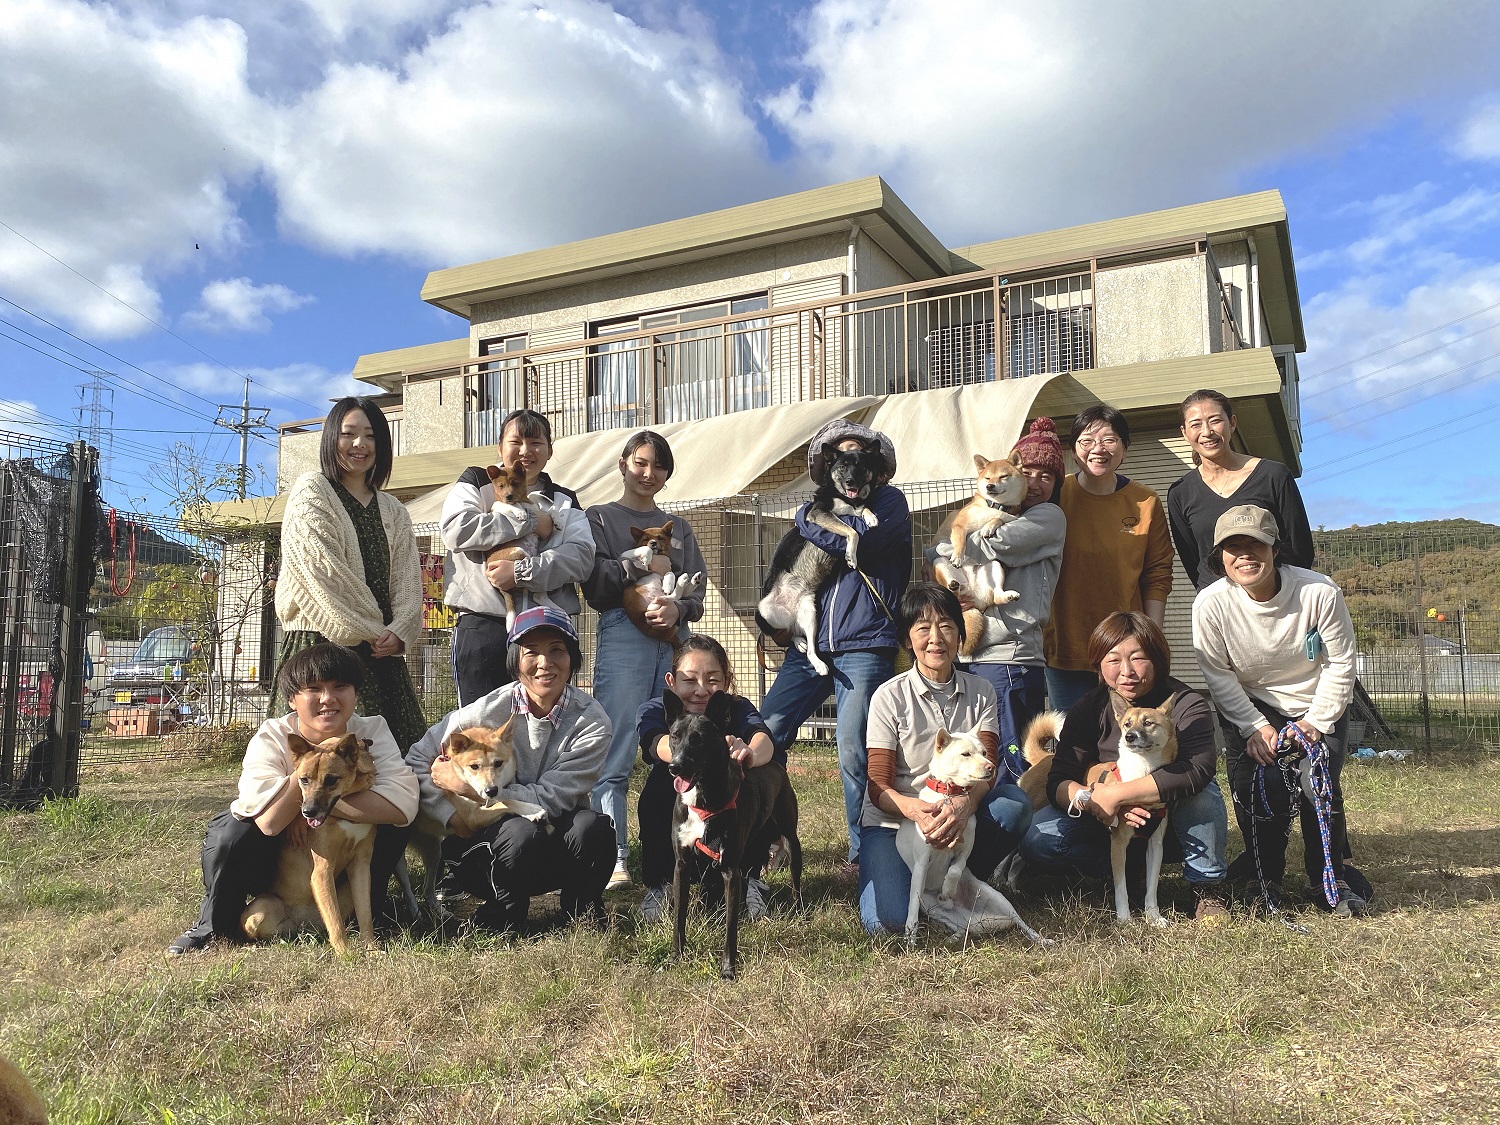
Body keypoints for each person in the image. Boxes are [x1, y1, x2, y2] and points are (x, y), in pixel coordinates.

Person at [167, 643, 420, 955]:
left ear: (356, 693)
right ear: (291, 700)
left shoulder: (372, 730)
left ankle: (372, 919)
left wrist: (321, 809)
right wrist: (310, 770)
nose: (328, 698)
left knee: (391, 825)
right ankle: (212, 927)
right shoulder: (273, 735)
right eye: (313, 689)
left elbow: (403, 805)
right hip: (273, 861)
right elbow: (269, 822)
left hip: (334, 848)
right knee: (230, 834)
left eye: (340, 687)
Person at [1190, 504, 1367, 915]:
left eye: (1256, 545)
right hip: (1252, 703)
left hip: (1316, 699)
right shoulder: (1210, 604)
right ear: (1220, 558)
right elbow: (1217, 673)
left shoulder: (1319, 592)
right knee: (1258, 787)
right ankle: (1263, 878)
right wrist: (1253, 727)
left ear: (1275, 550)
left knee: (1316, 786)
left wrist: (1317, 722)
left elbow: (1341, 663)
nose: (1246, 555)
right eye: (1234, 547)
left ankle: (1329, 877)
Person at [758, 419, 912, 870]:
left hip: (864, 644)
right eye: (841, 458)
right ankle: (767, 839)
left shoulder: (889, 503)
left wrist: (806, 521)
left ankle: (864, 856)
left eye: (861, 457)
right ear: (830, 468)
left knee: (854, 750)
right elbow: (790, 574)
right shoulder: (820, 507)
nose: (851, 469)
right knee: (765, 734)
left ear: (874, 466)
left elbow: (859, 546)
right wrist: (774, 628)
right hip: (808, 647)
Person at [407, 606, 615, 932]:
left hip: (550, 836)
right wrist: (452, 816)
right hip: (483, 848)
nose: (544, 663)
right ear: (515, 662)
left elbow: (550, 797)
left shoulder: (592, 723)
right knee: (520, 832)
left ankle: (582, 912)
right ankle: (501, 916)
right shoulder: (483, 712)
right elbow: (417, 761)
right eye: (531, 652)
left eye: (557, 650)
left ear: (573, 659)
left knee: (594, 828)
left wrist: (466, 787)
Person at [1020, 612, 1230, 923]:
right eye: (1113, 659)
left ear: (1157, 658)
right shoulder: (1089, 708)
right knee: (1040, 838)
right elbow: (1057, 780)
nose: (1126, 671)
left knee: (1205, 793)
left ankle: (1207, 886)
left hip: (1170, 822)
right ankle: (1120, 875)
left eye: (1138, 658)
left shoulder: (1185, 702)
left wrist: (1120, 795)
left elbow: (1197, 769)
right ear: (1098, 665)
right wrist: (1094, 799)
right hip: (1105, 821)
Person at [858, 582, 1028, 935]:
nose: (936, 638)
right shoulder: (888, 697)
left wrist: (963, 806)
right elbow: (876, 784)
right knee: (886, 923)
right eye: (923, 628)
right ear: (908, 639)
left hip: (961, 815)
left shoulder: (982, 692)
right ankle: (919, 883)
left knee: (1014, 804)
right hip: (896, 824)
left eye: (947, 626)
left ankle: (959, 876)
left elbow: (990, 768)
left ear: (961, 634)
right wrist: (915, 811)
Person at [581, 431, 708, 890]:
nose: (648, 473)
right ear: (622, 464)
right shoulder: (599, 518)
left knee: (680, 747)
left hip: (675, 640)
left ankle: (681, 846)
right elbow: (595, 585)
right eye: (641, 463)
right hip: (623, 636)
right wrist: (639, 564)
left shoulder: (680, 527)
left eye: (658, 466)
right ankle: (613, 856)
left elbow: (698, 591)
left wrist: (679, 608)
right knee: (614, 749)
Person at [272, 396, 426, 752]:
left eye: (371, 436)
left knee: (396, 762)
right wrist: (376, 630)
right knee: (316, 764)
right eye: (349, 434)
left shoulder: (393, 509)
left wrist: (401, 630)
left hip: (380, 654)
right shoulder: (312, 491)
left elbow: (407, 581)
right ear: (331, 439)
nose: (360, 444)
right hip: (321, 647)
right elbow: (321, 576)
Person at [940, 416, 1067, 790]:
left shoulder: (1048, 517)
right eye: (1030, 472)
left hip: (1011, 655)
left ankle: (1017, 844)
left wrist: (948, 547)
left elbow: (990, 545)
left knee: (1008, 766)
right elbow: (944, 549)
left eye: (1048, 476)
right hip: (974, 654)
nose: (1036, 482)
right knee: (979, 760)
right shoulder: (1004, 512)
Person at [439, 408, 594, 705]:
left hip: (548, 628)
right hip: (484, 624)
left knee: (547, 724)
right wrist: (531, 521)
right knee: (479, 726)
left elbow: (582, 557)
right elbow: (456, 529)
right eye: (516, 441)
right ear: (500, 447)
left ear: (549, 450)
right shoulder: (476, 480)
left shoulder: (565, 499)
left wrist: (523, 573)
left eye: (536, 442)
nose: (526, 451)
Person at [634, 634, 778, 924]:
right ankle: (661, 884)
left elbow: (765, 740)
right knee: (666, 781)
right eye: (690, 680)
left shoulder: (735, 709)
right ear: (671, 682)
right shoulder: (655, 709)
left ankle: (748, 878)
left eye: (712, 680)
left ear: (726, 682)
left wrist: (747, 751)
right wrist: (688, 753)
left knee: (756, 781)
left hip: (728, 822)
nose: (701, 690)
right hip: (684, 824)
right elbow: (657, 743)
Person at [1043, 404, 1175, 714]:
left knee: (1129, 742)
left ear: (1125, 449)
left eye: (1110, 440)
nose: (1098, 449)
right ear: (1073, 451)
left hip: (1127, 652)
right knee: (1073, 743)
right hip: (1066, 645)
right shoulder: (1055, 496)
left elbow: (1157, 574)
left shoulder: (1145, 502)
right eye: (1087, 441)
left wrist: (1150, 640)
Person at [1167, 388, 1315, 590]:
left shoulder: (1273, 475)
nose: (1207, 432)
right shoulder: (1180, 492)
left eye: (1215, 420)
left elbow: (1300, 550)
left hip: (1276, 600)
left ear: (1232, 423)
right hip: (1219, 605)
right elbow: (1193, 560)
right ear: (1185, 432)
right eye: (1195, 424)